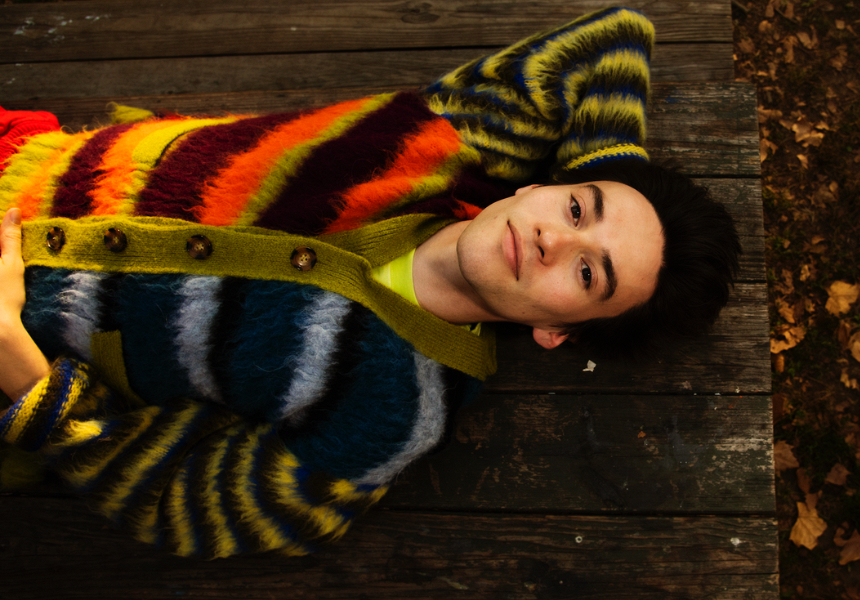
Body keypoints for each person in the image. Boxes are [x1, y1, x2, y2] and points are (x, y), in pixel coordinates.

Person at [0, 8, 741, 557]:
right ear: (541, 186)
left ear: (558, 332)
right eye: (577, 208)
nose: (555, 237)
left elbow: (194, 509)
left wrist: (31, 383)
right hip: (26, 158)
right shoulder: (450, 145)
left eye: (587, 273)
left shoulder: (394, 413)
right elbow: (615, 41)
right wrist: (617, 186)